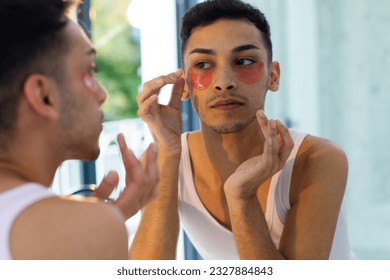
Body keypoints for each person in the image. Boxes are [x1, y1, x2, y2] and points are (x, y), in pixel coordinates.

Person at [131, 0, 354, 260]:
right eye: (203, 65)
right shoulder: (164, 160)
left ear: (273, 76)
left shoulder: (318, 159)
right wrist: (168, 154)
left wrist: (241, 196)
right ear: (184, 85)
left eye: (245, 61)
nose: (224, 82)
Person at [0, 0, 158, 260]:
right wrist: (98, 227)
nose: (102, 94)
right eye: (90, 70)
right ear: (44, 95)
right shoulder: (83, 229)